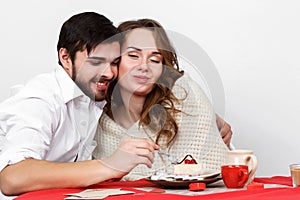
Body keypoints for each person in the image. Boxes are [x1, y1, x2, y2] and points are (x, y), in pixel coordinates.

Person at [0, 12, 159, 198]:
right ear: (66, 58)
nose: (108, 73)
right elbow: (12, 178)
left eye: (114, 62)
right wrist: (110, 165)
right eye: (96, 61)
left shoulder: (92, 92)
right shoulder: (40, 98)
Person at [93, 19, 229, 180]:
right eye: (133, 55)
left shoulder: (184, 97)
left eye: (155, 60)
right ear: (115, 61)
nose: (144, 66)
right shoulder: (100, 119)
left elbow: (212, 166)